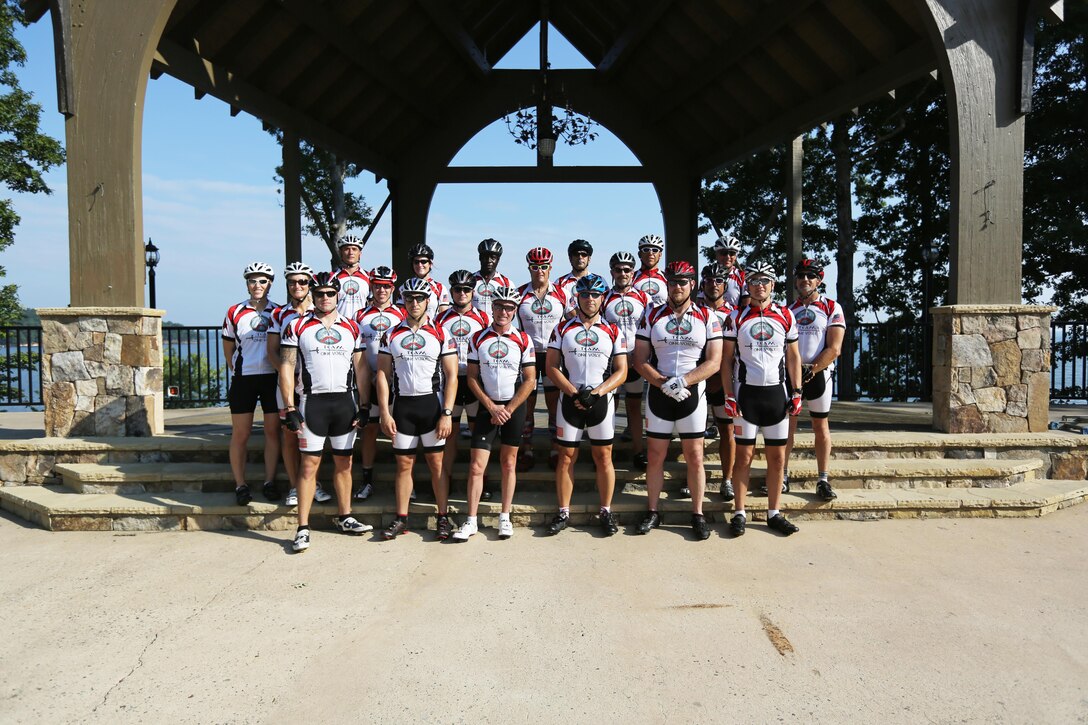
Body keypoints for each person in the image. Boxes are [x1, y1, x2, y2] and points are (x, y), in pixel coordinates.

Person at [278, 272, 373, 552]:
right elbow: (286, 367)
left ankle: (345, 516)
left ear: (337, 295)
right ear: (312, 295)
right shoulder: (296, 325)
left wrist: (365, 405)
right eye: (319, 293)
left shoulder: (351, 327)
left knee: (345, 464)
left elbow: (362, 368)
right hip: (312, 403)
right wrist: (290, 407)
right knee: (309, 466)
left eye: (330, 293)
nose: (325, 298)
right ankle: (302, 528)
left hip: (344, 403)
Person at [632, 260, 723, 541]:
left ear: (692, 284)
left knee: (695, 456)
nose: (678, 286)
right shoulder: (651, 315)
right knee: (656, 456)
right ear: (667, 284)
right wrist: (662, 382)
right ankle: (652, 510)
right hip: (660, 393)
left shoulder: (708, 317)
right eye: (673, 282)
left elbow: (715, 361)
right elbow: (639, 360)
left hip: (691, 393)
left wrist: (684, 381)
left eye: (683, 282)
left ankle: (697, 513)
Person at [720, 261, 803, 538]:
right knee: (743, 457)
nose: (759, 285)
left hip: (776, 395)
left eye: (765, 280)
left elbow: (793, 356)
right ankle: (740, 512)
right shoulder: (736, 316)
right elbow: (726, 359)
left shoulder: (786, 316)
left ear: (773, 284)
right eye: (754, 280)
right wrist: (729, 395)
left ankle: (774, 512)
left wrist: (798, 391)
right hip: (747, 396)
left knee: (777, 459)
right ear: (747, 285)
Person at [545, 274, 628, 536]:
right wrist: (573, 393)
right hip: (570, 401)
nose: (590, 299)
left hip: (601, 401)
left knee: (603, 457)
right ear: (577, 298)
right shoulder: (562, 329)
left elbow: (622, 371)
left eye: (595, 295)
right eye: (585, 294)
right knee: (566, 456)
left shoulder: (613, 330)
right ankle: (563, 511)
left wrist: (597, 392)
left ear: (603, 298)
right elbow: (551, 367)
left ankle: (605, 510)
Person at [377, 277, 459, 541]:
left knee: (436, 465)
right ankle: (401, 518)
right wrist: (385, 412)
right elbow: (382, 374)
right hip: (402, 407)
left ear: (428, 301)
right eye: (410, 298)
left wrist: (447, 413)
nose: (414, 303)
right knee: (404, 465)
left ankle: (443, 517)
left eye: (420, 299)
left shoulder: (441, 332)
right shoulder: (391, 334)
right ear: (404, 300)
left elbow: (452, 376)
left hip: (431, 406)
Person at [452, 286, 537, 541]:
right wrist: (490, 406)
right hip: (487, 407)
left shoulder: (523, 339)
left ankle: (505, 517)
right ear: (492, 308)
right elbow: (472, 377)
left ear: (514, 311)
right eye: (499, 306)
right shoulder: (478, 338)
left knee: (509, 463)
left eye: (509, 308)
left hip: (512, 409)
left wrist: (508, 409)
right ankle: (471, 520)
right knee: (477, 466)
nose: (503, 311)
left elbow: (530, 380)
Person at [266, 262, 333, 506]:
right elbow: (272, 352)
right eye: (292, 282)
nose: (298, 286)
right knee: (290, 436)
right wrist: (288, 376)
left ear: (310, 284)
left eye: (303, 281)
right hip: (289, 383)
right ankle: (296, 486)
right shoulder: (278, 314)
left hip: (316, 385)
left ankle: (313, 483)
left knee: (316, 435)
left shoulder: (322, 312)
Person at [784, 258, 846, 501]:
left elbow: (835, 347)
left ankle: (823, 479)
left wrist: (814, 368)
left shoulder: (832, 307)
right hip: (793, 375)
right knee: (788, 427)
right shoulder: (789, 310)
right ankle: (783, 475)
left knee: (820, 426)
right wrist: (797, 372)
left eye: (810, 276)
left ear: (819, 280)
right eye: (801, 276)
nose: (805, 280)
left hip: (819, 374)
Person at [222, 262, 282, 506]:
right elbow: (228, 348)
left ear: (270, 283)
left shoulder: (278, 311)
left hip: (271, 377)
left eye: (262, 281)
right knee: (241, 433)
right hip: (244, 378)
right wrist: (237, 369)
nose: (257, 285)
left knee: (271, 432)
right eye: (252, 281)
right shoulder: (235, 311)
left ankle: (269, 481)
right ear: (247, 283)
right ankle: (240, 484)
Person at [435, 270, 491, 501]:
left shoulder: (484, 318)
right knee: (450, 435)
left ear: (473, 292)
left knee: (479, 436)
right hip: (451, 382)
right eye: (457, 289)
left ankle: (482, 483)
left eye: (466, 289)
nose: (462, 294)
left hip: (475, 381)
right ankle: (443, 483)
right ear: (451, 291)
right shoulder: (440, 319)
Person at [353, 265, 405, 501]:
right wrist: (367, 375)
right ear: (371, 286)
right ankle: (367, 480)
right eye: (377, 286)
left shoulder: (402, 314)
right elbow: (358, 350)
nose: (381, 290)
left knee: (399, 431)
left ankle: (405, 482)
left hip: (394, 381)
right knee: (370, 430)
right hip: (369, 379)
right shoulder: (360, 315)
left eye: (386, 286)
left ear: (392, 288)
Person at [688, 262, 736, 502]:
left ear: (725, 285)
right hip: (696, 381)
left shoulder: (734, 313)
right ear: (701, 283)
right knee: (693, 434)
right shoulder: (692, 310)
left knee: (727, 430)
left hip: (720, 382)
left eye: (718, 281)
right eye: (708, 280)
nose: (713, 284)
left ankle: (727, 480)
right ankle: (693, 479)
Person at [515, 247, 567, 470]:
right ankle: (526, 448)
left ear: (550, 268)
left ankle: (555, 448)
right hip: (528, 354)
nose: (539, 271)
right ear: (529, 268)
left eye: (544, 267)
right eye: (535, 267)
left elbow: (573, 319)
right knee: (528, 403)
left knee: (554, 404)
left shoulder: (561, 294)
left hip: (553, 355)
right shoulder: (519, 294)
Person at [602, 251, 651, 471]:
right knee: (609, 408)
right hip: (613, 361)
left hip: (635, 358)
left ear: (633, 272)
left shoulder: (643, 297)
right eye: (618, 269)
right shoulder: (604, 298)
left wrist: (639, 356)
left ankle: (638, 452)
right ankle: (606, 456)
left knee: (633, 407)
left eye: (627, 270)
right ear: (611, 272)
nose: (622, 273)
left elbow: (650, 329)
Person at [400, 242, 451, 318]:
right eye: (416, 262)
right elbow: (400, 314)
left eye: (423, 261)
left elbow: (443, 317)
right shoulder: (404, 287)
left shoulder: (440, 288)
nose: (420, 265)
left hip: (431, 328)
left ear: (430, 264)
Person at [331, 235, 371, 319]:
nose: (350, 252)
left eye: (354, 249)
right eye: (346, 249)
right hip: (339, 325)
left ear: (360, 253)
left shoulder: (369, 277)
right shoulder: (332, 277)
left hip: (361, 325)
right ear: (341, 253)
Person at [472, 238, 514, 313]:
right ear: (480, 258)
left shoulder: (507, 283)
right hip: (475, 324)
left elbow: (512, 310)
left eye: (493, 257)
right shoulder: (470, 280)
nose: (489, 261)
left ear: (498, 259)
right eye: (485, 257)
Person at [554, 239, 593, 313]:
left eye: (584, 254)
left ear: (589, 259)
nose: (580, 257)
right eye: (576, 254)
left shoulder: (599, 280)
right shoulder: (560, 282)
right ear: (570, 258)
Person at [632, 234, 668, 307]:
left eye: (655, 250)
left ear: (660, 255)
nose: (650, 253)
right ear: (639, 254)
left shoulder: (667, 278)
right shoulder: (632, 278)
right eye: (646, 250)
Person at [712, 235, 747, 308]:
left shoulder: (742, 276)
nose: (728, 257)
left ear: (736, 256)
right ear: (716, 255)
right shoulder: (708, 275)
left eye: (732, 253)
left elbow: (746, 307)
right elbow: (700, 302)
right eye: (723, 253)